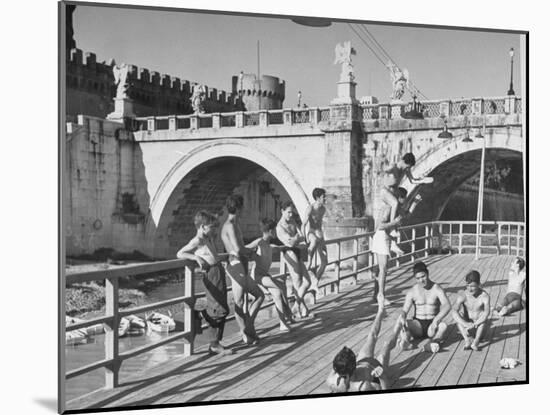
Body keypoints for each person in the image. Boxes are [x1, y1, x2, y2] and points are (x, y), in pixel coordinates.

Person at [176, 211, 232, 356]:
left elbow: (213, 255)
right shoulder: (198, 240)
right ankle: (212, 340)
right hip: (211, 274)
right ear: (202, 226)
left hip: (217, 271)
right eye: (211, 227)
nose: (214, 229)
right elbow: (180, 253)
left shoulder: (208, 238)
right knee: (218, 310)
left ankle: (215, 341)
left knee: (222, 308)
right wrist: (195, 258)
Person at [326, 303, 402, 392]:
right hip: (375, 369)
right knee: (387, 345)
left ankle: (380, 311)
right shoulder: (363, 386)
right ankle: (399, 327)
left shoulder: (330, 380)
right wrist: (382, 377)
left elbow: (337, 366)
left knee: (372, 336)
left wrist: (347, 361)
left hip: (361, 363)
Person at [220, 194, 265, 345]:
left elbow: (239, 248)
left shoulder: (235, 224)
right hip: (236, 265)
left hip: (242, 264)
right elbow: (238, 250)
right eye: (242, 207)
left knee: (258, 295)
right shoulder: (230, 225)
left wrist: (249, 250)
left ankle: (249, 327)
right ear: (239, 208)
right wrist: (251, 250)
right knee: (239, 301)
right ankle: (246, 333)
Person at [246, 218, 296, 332]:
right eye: (274, 230)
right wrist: (251, 254)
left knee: (278, 294)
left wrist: (289, 246)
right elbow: (245, 248)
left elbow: (276, 248)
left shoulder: (270, 246)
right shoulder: (259, 242)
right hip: (257, 275)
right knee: (281, 285)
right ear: (270, 231)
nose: (276, 232)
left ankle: (283, 323)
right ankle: (288, 312)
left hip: (265, 275)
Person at [399, 261, 451, 353]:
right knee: (402, 323)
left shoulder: (436, 288)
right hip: (418, 325)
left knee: (443, 326)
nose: (421, 280)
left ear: (427, 274)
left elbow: (447, 305)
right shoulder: (412, 291)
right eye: (418, 278)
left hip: (432, 325)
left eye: (423, 276)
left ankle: (433, 342)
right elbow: (405, 310)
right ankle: (405, 342)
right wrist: (402, 316)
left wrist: (436, 320)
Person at [371, 170, 404, 306]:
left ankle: (376, 294)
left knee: (381, 268)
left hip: (385, 237)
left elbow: (405, 213)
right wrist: (394, 223)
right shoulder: (387, 208)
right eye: (402, 199)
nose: (402, 202)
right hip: (381, 236)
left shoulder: (392, 207)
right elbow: (380, 226)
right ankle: (381, 296)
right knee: (383, 268)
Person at [277, 201, 313, 319]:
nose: (291, 215)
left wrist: (296, 238)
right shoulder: (280, 227)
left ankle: (295, 307)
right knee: (297, 282)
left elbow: (302, 236)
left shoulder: (292, 221)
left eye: (292, 212)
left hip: (296, 251)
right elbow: (290, 242)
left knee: (307, 281)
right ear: (282, 211)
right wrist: (297, 238)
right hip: (289, 254)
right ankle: (303, 310)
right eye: (288, 212)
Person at [452, 270, 491, 351]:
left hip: (479, 328)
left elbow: (486, 313)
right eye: (468, 286)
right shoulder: (463, 295)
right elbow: (454, 311)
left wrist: (475, 324)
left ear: (479, 284)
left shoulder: (484, 296)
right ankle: (467, 340)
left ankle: (476, 342)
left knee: (483, 318)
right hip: (467, 328)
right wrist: (465, 324)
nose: (470, 289)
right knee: (459, 316)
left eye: (472, 286)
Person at [302, 188, 328, 293]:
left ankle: (315, 282)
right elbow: (303, 224)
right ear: (318, 198)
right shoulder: (310, 208)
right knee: (313, 243)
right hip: (311, 233)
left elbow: (320, 224)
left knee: (325, 262)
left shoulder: (323, 209)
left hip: (320, 233)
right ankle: (308, 265)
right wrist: (304, 238)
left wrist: (322, 238)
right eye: (323, 197)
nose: (325, 198)